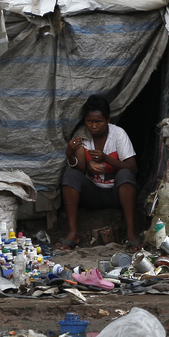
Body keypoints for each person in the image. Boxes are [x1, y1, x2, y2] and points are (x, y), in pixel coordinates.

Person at [61, 95, 139, 249]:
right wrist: (69, 153)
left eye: (98, 121)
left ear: (108, 120)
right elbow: (80, 169)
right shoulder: (82, 135)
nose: (93, 126)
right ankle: (72, 233)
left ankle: (131, 233)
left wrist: (106, 158)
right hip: (93, 194)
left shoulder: (118, 134)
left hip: (116, 194)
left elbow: (133, 168)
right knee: (70, 175)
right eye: (90, 121)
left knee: (125, 175)